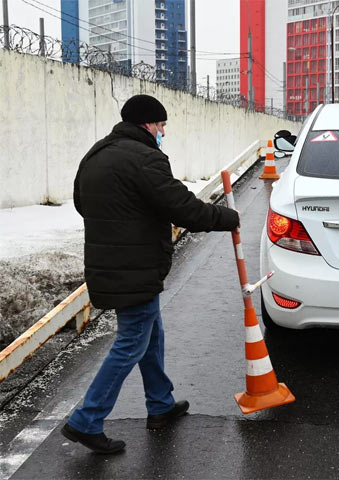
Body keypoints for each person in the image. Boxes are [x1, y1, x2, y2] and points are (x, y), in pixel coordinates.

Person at [62, 95, 241, 454]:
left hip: (111, 263)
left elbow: (84, 204)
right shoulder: (145, 158)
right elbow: (181, 206)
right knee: (131, 341)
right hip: (135, 266)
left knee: (149, 332)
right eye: (161, 126)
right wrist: (227, 218)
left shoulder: (96, 154)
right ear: (147, 124)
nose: (163, 132)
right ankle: (86, 419)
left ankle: (160, 403)